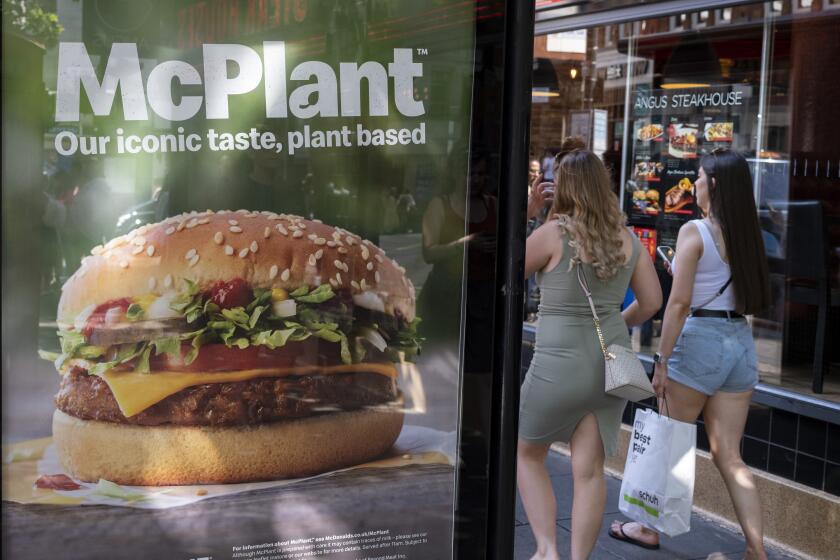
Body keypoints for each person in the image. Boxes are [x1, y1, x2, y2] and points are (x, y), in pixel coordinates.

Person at [609, 149, 771, 559]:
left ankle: (646, 527)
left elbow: (677, 304)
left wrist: (660, 361)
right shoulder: (749, 234)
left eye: (698, 177)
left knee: (669, 439)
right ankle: (756, 550)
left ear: (713, 184)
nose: (693, 184)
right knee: (729, 454)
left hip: (700, 340)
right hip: (739, 341)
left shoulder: (694, 232)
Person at [518, 150, 662, 560]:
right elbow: (652, 302)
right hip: (611, 362)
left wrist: (530, 213)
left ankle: (547, 549)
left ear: (566, 186)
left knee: (527, 454)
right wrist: (617, 322)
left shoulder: (552, 234)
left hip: (557, 365)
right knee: (589, 471)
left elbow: (503, 272)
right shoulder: (628, 239)